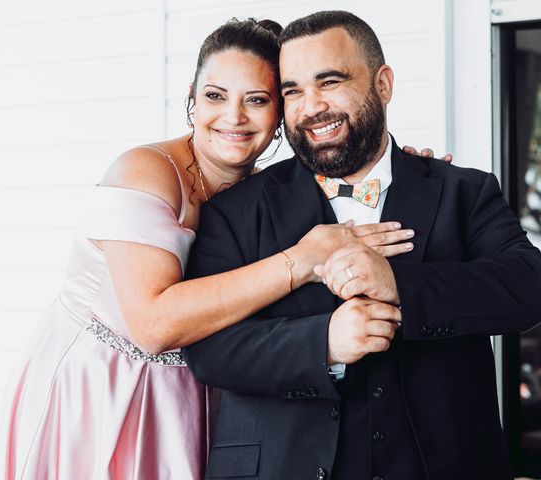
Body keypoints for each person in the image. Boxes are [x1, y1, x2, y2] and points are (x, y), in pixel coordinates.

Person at [0, 18, 434, 480]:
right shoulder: (145, 172)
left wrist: (402, 174)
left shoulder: (265, 197)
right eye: (215, 96)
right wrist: (302, 260)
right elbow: (152, 324)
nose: (233, 117)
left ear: (281, 113)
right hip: (102, 392)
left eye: (257, 100)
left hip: (197, 396)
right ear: (192, 97)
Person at [183, 10, 541, 480]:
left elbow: (528, 286)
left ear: (384, 84)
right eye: (292, 91)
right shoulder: (234, 209)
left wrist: (401, 285)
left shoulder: (463, 191)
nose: (311, 108)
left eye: (329, 82)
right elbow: (208, 350)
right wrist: (323, 344)